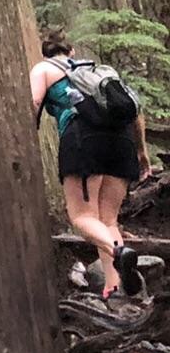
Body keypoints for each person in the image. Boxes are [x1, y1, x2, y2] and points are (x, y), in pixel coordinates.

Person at [31, 29, 153, 297]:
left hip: (83, 139)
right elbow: (136, 111)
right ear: (71, 51)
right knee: (107, 220)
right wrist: (142, 153)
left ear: (45, 53)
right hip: (122, 142)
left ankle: (119, 251)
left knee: (83, 217)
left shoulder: (43, 69)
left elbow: (35, 100)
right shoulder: (99, 72)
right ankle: (115, 286)